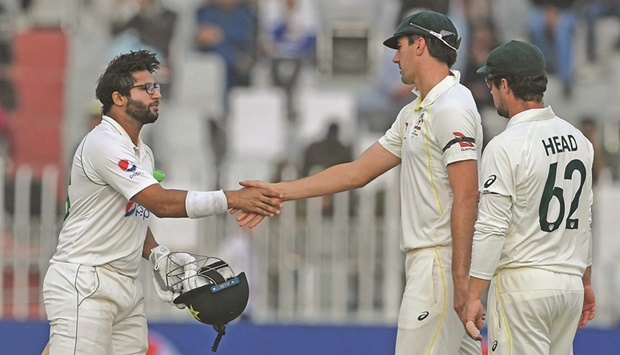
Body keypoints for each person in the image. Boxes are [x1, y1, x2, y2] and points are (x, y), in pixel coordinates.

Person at [236, 11, 482, 354]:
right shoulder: (415, 111)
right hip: (434, 263)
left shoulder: (451, 107)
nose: (395, 57)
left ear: (421, 45)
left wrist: (460, 280)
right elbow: (356, 172)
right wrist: (278, 191)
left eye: (400, 47)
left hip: (439, 265)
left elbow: (468, 196)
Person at [41, 50, 282, 354]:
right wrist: (232, 198)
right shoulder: (104, 143)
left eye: (157, 87)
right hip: (85, 280)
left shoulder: (141, 151)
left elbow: (132, 216)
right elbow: (161, 204)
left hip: (125, 285)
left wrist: (157, 255)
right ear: (118, 98)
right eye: (146, 88)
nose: (157, 95)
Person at [463, 40, 596, 354]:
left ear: (505, 84)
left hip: (523, 286)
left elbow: (493, 227)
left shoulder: (506, 145)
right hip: (569, 285)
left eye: (491, 83)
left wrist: (473, 295)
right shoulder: (579, 140)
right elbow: (584, 222)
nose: (491, 91)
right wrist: (585, 281)